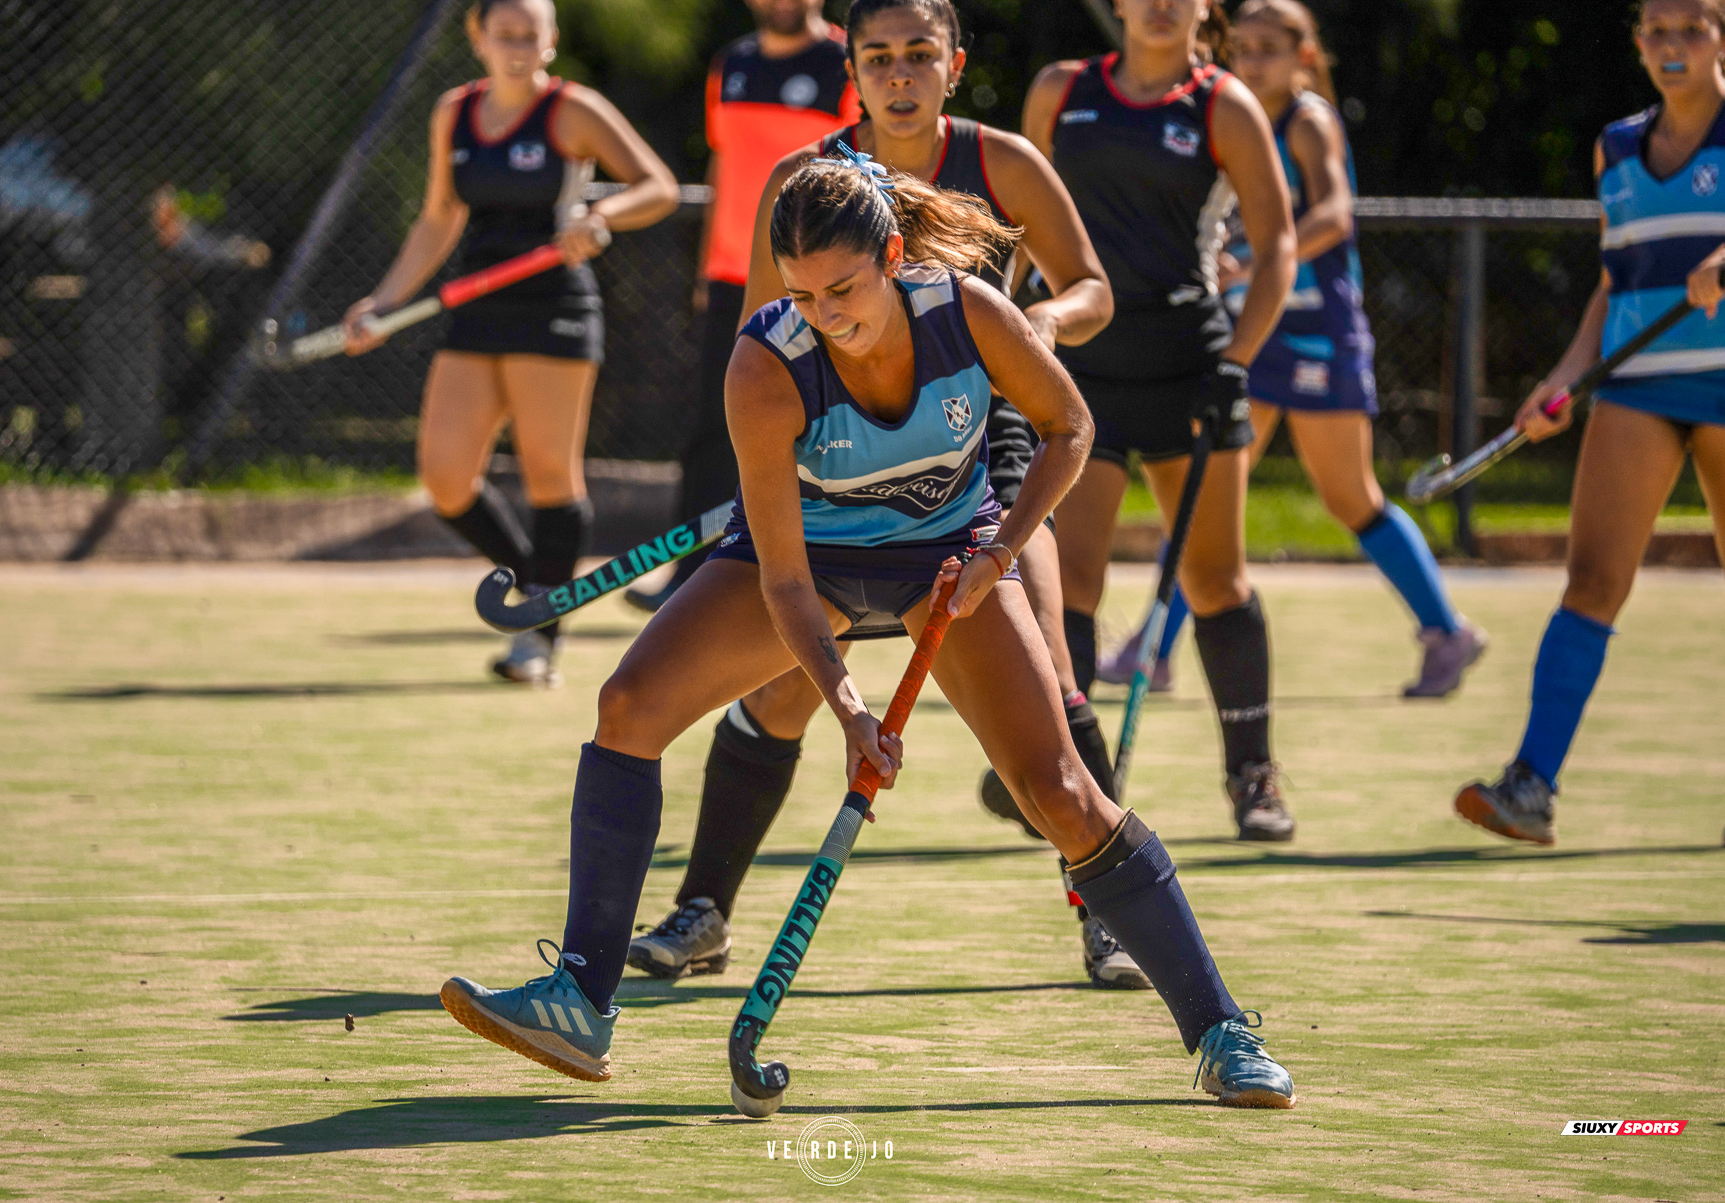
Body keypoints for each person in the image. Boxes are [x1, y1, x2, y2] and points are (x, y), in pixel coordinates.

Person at [438, 152, 1297, 1107]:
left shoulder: (969, 312)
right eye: (803, 294)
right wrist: (849, 710)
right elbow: (787, 582)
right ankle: (582, 999)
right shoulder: (766, 368)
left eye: (844, 287)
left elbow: (1070, 426)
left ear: (893, 257)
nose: (827, 314)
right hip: (815, 560)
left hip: (948, 559)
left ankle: (1221, 1028)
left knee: (1060, 790)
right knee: (627, 705)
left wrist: (1001, 552)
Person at [625, 0, 1143, 992]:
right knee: (782, 682)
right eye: (878, 57)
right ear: (851, 70)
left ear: (953, 64)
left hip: (980, 451)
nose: (899, 72)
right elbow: (761, 338)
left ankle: (1102, 913)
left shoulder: (1005, 164)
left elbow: (1094, 289)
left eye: (919, 54)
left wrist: (1036, 322)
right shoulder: (805, 182)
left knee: (1050, 658)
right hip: (835, 464)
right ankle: (702, 912)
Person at [1099, 0, 1485, 700]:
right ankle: (1151, 647)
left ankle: (1445, 629)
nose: (1251, 60)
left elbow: (1335, 214)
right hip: (1256, 334)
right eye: (1241, 47)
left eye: (1269, 48)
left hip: (1315, 334)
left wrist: (1247, 263)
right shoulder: (1227, 113)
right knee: (1205, 491)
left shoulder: (1308, 120)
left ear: (1305, 57)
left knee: (1351, 498)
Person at [1023, 0, 1301, 840]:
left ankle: (1253, 775)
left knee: (1214, 579)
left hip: (1190, 366)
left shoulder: (1223, 104)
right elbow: (1012, 213)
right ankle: (1060, 767)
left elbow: (1277, 240)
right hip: (1082, 365)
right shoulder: (1061, 90)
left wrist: (1236, 359)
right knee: (1070, 582)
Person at [1455, 0, 1725, 845]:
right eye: (1656, 30)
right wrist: (1563, 380)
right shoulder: (1616, 146)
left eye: (1691, 28)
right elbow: (1616, 282)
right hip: (1638, 385)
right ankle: (1530, 786)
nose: (1671, 45)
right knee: (1592, 581)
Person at [343, 0, 677, 684]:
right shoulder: (453, 113)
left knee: (550, 475)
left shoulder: (572, 110)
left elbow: (660, 187)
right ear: (479, 38)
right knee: (444, 474)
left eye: (533, 33)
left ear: (551, 41)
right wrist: (383, 302)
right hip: (478, 307)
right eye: (507, 33)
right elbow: (439, 216)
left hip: (555, 306)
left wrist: (600, 214)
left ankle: (538, 641)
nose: (519, 46)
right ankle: (541, 587)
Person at [625, 0, 861, 612]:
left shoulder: (848, 62)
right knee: (712, 424)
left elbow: (864, 170)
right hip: (734, 275)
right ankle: (688, 577)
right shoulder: (730, 63)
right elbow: (724, 163)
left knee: (819, 427)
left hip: (815, 279)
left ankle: (818, 568)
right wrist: (708, 267)